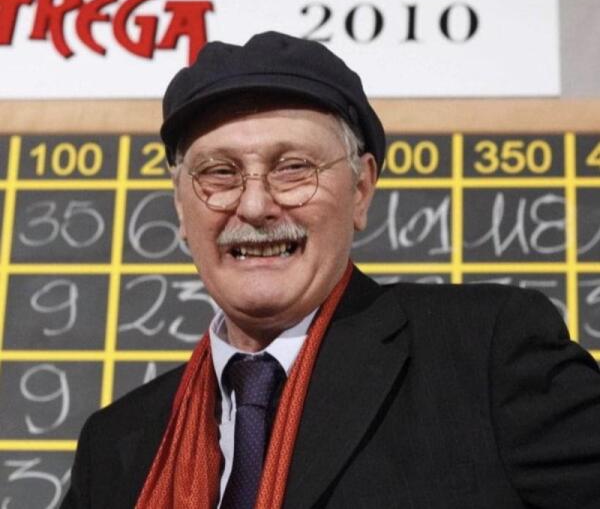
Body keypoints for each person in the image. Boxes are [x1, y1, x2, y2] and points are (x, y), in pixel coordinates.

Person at [61, 31, 600, 509]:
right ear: (181, 207)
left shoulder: (485, 355)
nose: (255, 206)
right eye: (219, 173)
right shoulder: (116, 445)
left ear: (361, 189)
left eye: (293, 168)